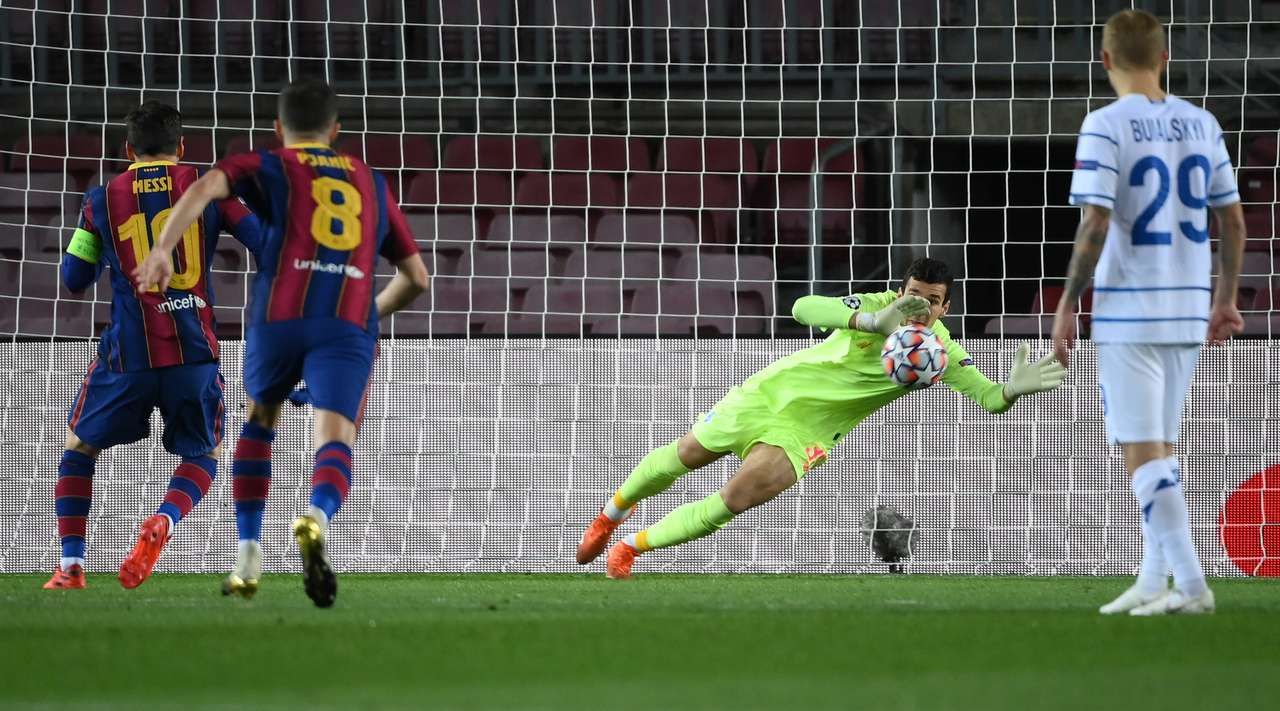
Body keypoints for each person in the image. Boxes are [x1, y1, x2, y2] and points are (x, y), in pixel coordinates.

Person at [578, 257, 1067, 578]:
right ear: (900, 291)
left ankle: (631, 548)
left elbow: (987, 397)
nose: (920, 308)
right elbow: (801, 307)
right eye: (913, 295)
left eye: (932, 301)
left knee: (737, 497)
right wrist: (869, 321)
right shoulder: (874, 307)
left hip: (806, 433)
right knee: (686, 454)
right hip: (769, 393)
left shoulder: (940, 353)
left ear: (946, 306)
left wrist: (1009, 390)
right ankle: (612, 514)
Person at [134, 79, 430, 607]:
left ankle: (248, 556)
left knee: (259, 422)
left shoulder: (267, 163)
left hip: (279, 316)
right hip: (344, 323)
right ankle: (316, 516)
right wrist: (366, 313)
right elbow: (417, 278)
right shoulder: (371, 181)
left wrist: (161, 250)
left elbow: (204, 187)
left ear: (278, 128)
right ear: (335, 131)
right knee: (335, 435)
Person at [1051, 9, 1246, 615]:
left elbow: (1096, 220)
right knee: (1161, 449)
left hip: (1130, 310)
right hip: (1187, 308)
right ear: (1165, 58)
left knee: (1141, 454)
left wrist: (1067, 304)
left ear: (1105, 59)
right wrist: (1225, 299)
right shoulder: (1203, 122)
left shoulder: (1105, 124)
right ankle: (1152, 578)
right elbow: (1233, 219)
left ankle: (1192, 586)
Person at [44, 101, 263, 590]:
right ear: (181, 146)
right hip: (193, 351)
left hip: (128, 355)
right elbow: (265, 244)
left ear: (128, 150)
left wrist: (99, 245)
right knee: (204, 454)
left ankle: (72, 565)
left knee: (79, 447)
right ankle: (165, 518)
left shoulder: (101, 199)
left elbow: (73, 278)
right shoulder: (208, 189)